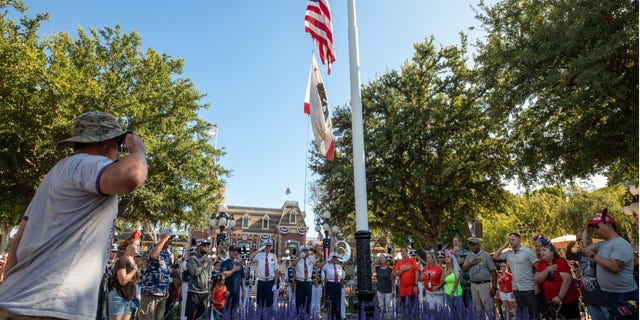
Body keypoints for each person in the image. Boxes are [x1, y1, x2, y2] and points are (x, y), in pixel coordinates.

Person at [0, 111, 147, 320]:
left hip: (14, 302)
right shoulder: (87, 164)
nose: (119, 152)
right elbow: (133, 176)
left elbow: (17, 241)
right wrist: (137, 148)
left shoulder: (55, 174)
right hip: (52, 308)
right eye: (118, 145)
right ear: (104, 142)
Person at [581, 210, 639, 317]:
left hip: (624, 295)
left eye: (597, 227)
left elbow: (615, 267)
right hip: (609, 294)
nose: (595, 230)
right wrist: (587, 231)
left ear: (608, 225)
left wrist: (593, 256)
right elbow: (585, 249)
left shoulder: (620, 244)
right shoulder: (603, 244)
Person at [493, 232, 540, 319]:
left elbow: (538, 268)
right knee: (522, 313)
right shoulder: (508, 254)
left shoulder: (528, 251)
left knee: (534, 312)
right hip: (516, 288)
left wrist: (537, 285)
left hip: (529, 287)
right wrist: (504, 245)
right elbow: (495, 257)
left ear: (519, 240)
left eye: (513, 239)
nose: (511, 241)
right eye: (509, 240)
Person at [533, 237, 581, 320]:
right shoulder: (541, 264)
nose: (541, 252)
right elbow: (537, 279)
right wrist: (547, 270)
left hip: (568, 301)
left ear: (552, 252)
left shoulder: (560, 261)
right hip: (552, 303)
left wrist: (559, 297)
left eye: (544, 250)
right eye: (541, 251)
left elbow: (567, 280)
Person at [566, 230, 610, 320]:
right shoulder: (580, 253)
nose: (579, 242)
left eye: (580, 239)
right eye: (577, 240)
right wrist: (568, 249)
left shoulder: (599, 250)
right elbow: (569, 257)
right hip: (590, 297)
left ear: (588, 238)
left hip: (604, 296)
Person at [140, 229, 175, 320]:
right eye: (169, 238)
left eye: (171, 238)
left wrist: (166, 288)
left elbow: (167, 272)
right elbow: (153, 256)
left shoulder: (169, 252)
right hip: (150, 291)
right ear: (162, 237)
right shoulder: (154, 247)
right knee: (147, 317)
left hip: (162, 292)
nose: (170, 240)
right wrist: (162, 240)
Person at [461, 237, 497, 319]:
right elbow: (463, 269)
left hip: (484, 284)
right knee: (477, 310)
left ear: (479, 245)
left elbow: (493, 271)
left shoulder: (485, 255)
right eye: (470, 245)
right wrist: (472, 263)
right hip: (473, 285)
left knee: (489, 309)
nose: (472, 247)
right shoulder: (469, 256)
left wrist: (494, 287)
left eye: (474, 244)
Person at [109, 233, 142, 320]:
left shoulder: (134, 262)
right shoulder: (122, 260)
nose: (139, 247)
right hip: (119, 296)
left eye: (139, 245)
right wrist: (134, 270)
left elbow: (135, 282)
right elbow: (122, 280)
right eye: (137, 245)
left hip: (129, 297)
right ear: (128, 246)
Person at [186, 239, 213, 320]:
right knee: (191, 316)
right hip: (194, 292)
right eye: (204, 245)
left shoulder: (208, 260)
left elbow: (209, 275)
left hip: (204, 292)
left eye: (207, 246)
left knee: (200, 316)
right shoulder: (193, 259)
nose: (206, 247)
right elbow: (194, 272)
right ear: (199, 246)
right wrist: (203, 265)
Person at [248, 239, 280, 309]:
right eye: (266, 246)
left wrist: (275, 284)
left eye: (269, 246)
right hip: (261, 282)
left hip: (270, 282)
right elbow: (250, 258)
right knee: (260, 303)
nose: (268, 247)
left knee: (269, 303)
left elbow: (276, 271)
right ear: (264, 246)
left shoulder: (273, 256)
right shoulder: (259, 255)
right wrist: (259, 250)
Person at [220, 245, 243, 316]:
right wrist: (233, 270)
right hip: (227, 292)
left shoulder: (239, 264)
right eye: (233, 251)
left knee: (234, 312)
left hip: (237, 292)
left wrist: (243, 290)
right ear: (229, 252)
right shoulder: (225, 263)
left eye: (236, 251)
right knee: (226, 311)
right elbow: (223, 275)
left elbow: (242, 277)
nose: (235, 253)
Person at [291, 244, 315, 314]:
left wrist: (313, 248)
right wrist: (300, 257)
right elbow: (292, 264)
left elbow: (318, 255)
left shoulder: (311, 258)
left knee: (308, 301)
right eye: (303, 251)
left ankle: (307, 316)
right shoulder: (298, 259)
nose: (305, 252)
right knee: (299, 301)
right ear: (301, 251)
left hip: (308, 282)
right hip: (300, 282)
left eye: (306, 250)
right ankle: (298, 316)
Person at [322, 252, 345, 320]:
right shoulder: (327, 265)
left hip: (337, 284)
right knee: (331, 302)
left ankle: (337, 317)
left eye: (336, 258)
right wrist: (327, 260)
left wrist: (342, 284)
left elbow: (342, 276)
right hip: (330, 284)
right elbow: (320, 266)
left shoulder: (339, 266)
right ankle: (331, 317)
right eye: (334, 258)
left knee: (337, 302)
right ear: (331, 258)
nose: (335, 259)